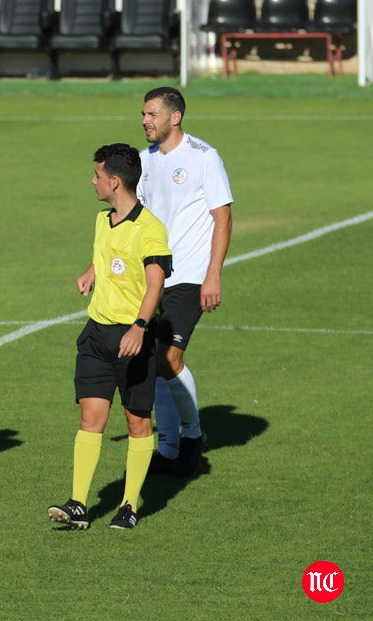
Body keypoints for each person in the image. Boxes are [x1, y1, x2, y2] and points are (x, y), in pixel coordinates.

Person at [48, 143, 171, 530]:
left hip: (132, 339)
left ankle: (130, 505)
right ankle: (79, 503)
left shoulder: (150, 229)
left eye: (97, 176)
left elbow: (156, 283)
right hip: (96, 336)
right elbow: (108, 255)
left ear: (114, 181)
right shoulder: (104, 220)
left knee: (137, 422)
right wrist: (92, 271)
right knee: (90, 417)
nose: (93, 181)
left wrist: (139, 327)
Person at [138, 86, 233, 477]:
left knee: (168, 357)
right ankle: (168, 446)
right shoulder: (143, 160)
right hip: (153, 275)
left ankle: (193, 436)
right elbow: (136, 218)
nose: (145, 121)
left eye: (151, 114)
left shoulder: (203, 157)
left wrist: (213, 275)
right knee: (152, 360)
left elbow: (223, 217)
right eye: (143, 114)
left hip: (191, 275)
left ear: (174, 117)